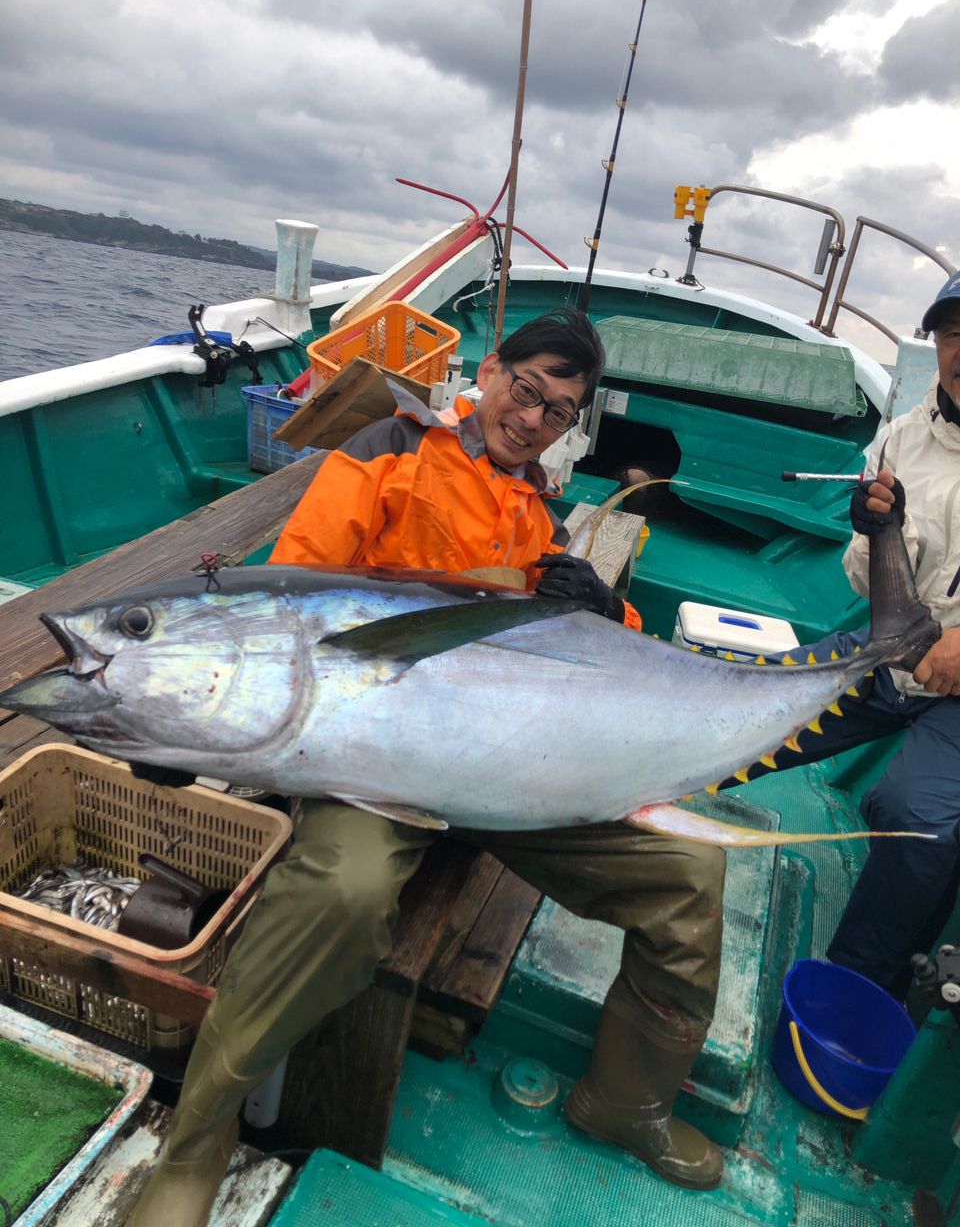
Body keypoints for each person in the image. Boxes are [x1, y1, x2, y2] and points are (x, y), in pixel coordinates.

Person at [127, 310, 726, 1227]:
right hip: (371, 761)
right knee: (345, 891)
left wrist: (606, 611)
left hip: (509, 770)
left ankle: (628, 1098)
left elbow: (597, 670)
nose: (532, 421)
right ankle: (196, 1144)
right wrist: (196, 727)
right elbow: (290, 595)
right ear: (490, 372)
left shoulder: (538, 520)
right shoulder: (388, 450)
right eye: (526, 391)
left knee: (689, 873)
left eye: (558, 413)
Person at [720, 270, 960, 1001]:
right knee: (746, 706)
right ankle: (628, 808)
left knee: (915, 818)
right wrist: (870, 530)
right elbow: (869, 584)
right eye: (954, 333)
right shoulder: (901, 438)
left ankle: (857, 987)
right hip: (890, 653)